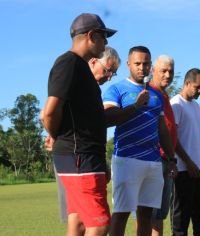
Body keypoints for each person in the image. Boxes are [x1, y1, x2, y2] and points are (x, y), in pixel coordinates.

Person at [41, 13, 117, 236]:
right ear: (91, 36)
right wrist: (56, 135)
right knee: (100, 223)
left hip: (85, 156)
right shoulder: (69, 63)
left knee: (82, 222)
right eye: (104, 37)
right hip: (78, 156)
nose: (106, 42)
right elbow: (49, 112)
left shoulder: (81, 67)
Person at [103, 46, 176, 236]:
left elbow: (162, 129)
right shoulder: (116, 89)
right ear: (128, 64)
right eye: (137, 63)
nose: (141, 68)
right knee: (121, 214)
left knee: (146, 215)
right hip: (127, 159)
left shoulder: (156, 95)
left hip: (152, 161)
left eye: (145, 64)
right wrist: (136, 106)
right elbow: (108, 118)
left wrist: (171, 158)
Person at [170, 68, 200, 236]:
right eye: (197, 87)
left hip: (199, 168)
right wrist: (188, 162)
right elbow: (172, 139)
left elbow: (198, 135)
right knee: (181, 219)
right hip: (183, 170)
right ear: (187, 83)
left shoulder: (196, 106)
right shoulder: (175, 104)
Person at [149, 55, 178, 236]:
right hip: (152, 159)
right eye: (163, 71)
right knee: (147, 214)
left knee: (159, 215)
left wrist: (171, 159)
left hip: (166, 160)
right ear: (153, 71)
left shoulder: (164, 95)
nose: (167, 75)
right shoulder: (149, 93)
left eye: (171, 71)